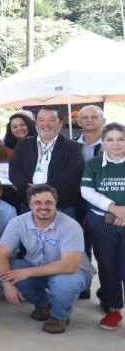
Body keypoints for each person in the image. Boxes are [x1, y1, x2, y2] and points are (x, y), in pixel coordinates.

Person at [0, 184, 95, 334]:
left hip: (71, 272)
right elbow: (1, 254)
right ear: (30, 205)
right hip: (38, 266)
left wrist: (27, 272)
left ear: (56, 203)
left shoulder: (70, 226)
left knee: (64, 284)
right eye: (38, 202)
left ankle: (59, 316)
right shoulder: (17, 222)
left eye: (48, 202)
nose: (43, 207)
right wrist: (7, 284)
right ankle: (44, 304)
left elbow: (69, 266)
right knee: (9, 276)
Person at [81, 121, 125, 330]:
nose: (115, 144)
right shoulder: (94, 164)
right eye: (110, 139)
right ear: (103, 141)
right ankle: (114, 309)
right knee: (107, 266)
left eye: (121, 139)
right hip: (101, 220)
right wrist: (113, 208)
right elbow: (87, 191)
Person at [9, 106, 84, 217]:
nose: (46, 124)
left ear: (60, 123)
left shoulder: (73, 147)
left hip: (61, 206)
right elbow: (14, 169)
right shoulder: (23, 144)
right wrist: (27, 187)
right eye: (41, 120)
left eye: (51, 120)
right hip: (29, 204)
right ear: (36, 123)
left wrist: (42, 189)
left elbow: (73, 174)